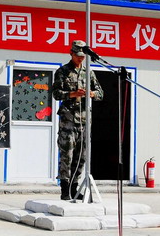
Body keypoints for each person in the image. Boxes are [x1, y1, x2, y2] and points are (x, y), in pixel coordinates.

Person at [52, 40, 103, 200]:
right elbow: (56, 94)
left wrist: (91, 93)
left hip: (84, 120)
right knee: (67, 154)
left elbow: (101, 93)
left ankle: (75, 187)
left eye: (82, 56)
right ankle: (65, 189)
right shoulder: (62, 72)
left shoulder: (89, 72)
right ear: (71, 54)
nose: (80, 59)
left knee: (81, 156)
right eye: (78, 56)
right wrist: (72, 94)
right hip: (68, 120)